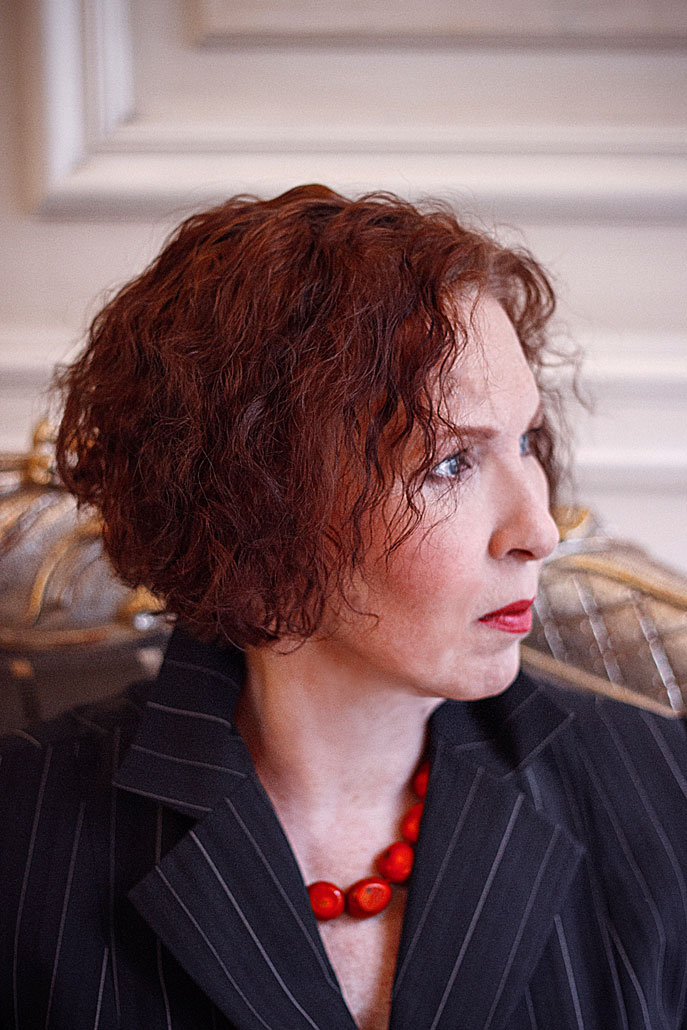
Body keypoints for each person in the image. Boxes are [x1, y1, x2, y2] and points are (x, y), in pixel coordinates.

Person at [1, 185, 686, 1030]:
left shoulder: (661, 791)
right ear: (258, 500)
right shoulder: (23, 831)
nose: (538, 531)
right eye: (449, 463)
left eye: (524, 443)